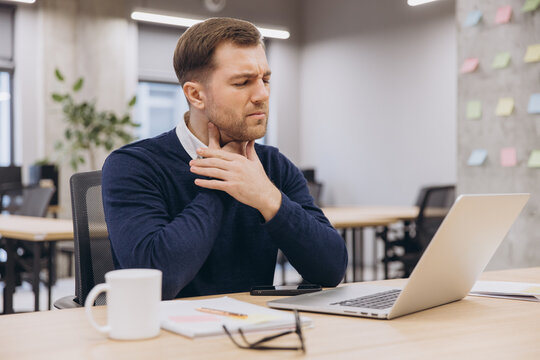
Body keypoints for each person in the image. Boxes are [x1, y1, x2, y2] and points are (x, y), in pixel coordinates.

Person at [102, 17, 347, 300]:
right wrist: (223, 181)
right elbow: (156, 282)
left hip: (254, 330)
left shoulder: (273, 167)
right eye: (243, 82)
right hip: (166, 338)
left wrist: (267, 197)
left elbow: (331, 269)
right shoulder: (134, 166)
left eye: (265, 80)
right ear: (196, 95)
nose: (262, 95)